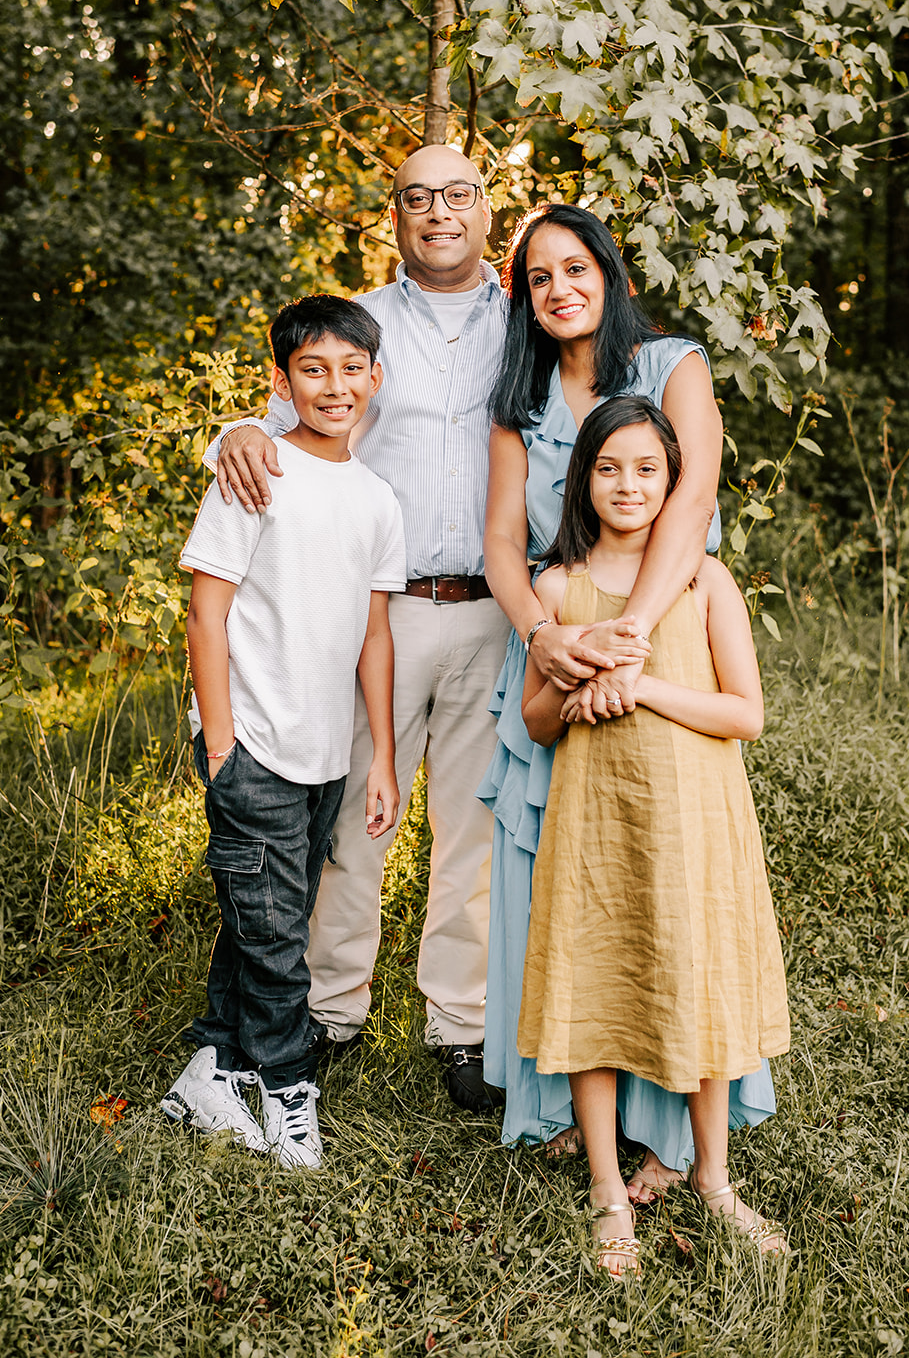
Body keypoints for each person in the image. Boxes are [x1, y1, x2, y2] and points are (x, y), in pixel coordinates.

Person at [206, 151, 613, 1109]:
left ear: (486, 211)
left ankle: (460, 1026)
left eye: (459, 195)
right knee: (351, 816)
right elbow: (278, 425)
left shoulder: (527, 321)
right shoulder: (359, 322)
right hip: (375, 614)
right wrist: (229, 431)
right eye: (418, 197)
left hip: (494, 608)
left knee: (472, 822)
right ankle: (330, 1009)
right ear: (394, 216)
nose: (439, 212)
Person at [482, 202, 777, 1190]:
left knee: (673, 900)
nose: (560, 288)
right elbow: (499, 546)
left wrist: (629, 645)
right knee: (567, 898)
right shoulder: (518, 398)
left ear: (608, 273)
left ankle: (680, 1138)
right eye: (538, 276)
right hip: (560, 643)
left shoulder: (672, 364)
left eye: (577, 267)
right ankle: (571, 1114)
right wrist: (554, 637)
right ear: (523, 297)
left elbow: (691, 505)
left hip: (656, 643)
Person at [519, 396, 791, 1276]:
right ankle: (606, 1189)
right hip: (598, 826)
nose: (627, 485)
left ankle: (713, 1178)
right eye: (608, 468)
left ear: (676, 481)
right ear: (582, 480)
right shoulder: (558, 589)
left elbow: (744, 714)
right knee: (592, 987)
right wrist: (574, 691)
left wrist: (639, 688)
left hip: (697, 824)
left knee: (701, 985)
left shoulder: (706, 582)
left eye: (647, 469)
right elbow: (535, 721)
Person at [161, 295, 406, 1168]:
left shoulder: (377, 498)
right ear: (281, 381)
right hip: (255, 743)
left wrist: (375, 754)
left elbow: (375, 636)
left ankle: (211, 1072)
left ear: (376, 380)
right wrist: (221, 739)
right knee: (275, 941)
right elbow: (205, 609)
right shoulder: (254, 474)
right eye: (313, 369)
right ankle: (286, 1087)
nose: (334, 386)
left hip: (327, 750)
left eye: (351, 370)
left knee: (265, 915)